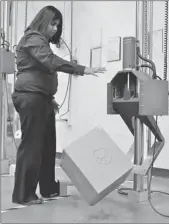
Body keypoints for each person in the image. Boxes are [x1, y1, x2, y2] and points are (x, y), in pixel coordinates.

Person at [12, 5, 106, 205]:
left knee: (47, 147)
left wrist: (49, 97)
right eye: (52, 23)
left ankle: (48, 189)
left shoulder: (40, 42)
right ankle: (23, 195)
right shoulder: (33, 38)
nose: (55, 29)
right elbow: (50, 61)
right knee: (32, 147)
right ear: (43, 20)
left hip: (41, 98)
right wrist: (82, 69)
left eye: (58, 25)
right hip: (30, 98)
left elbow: (40, 71)